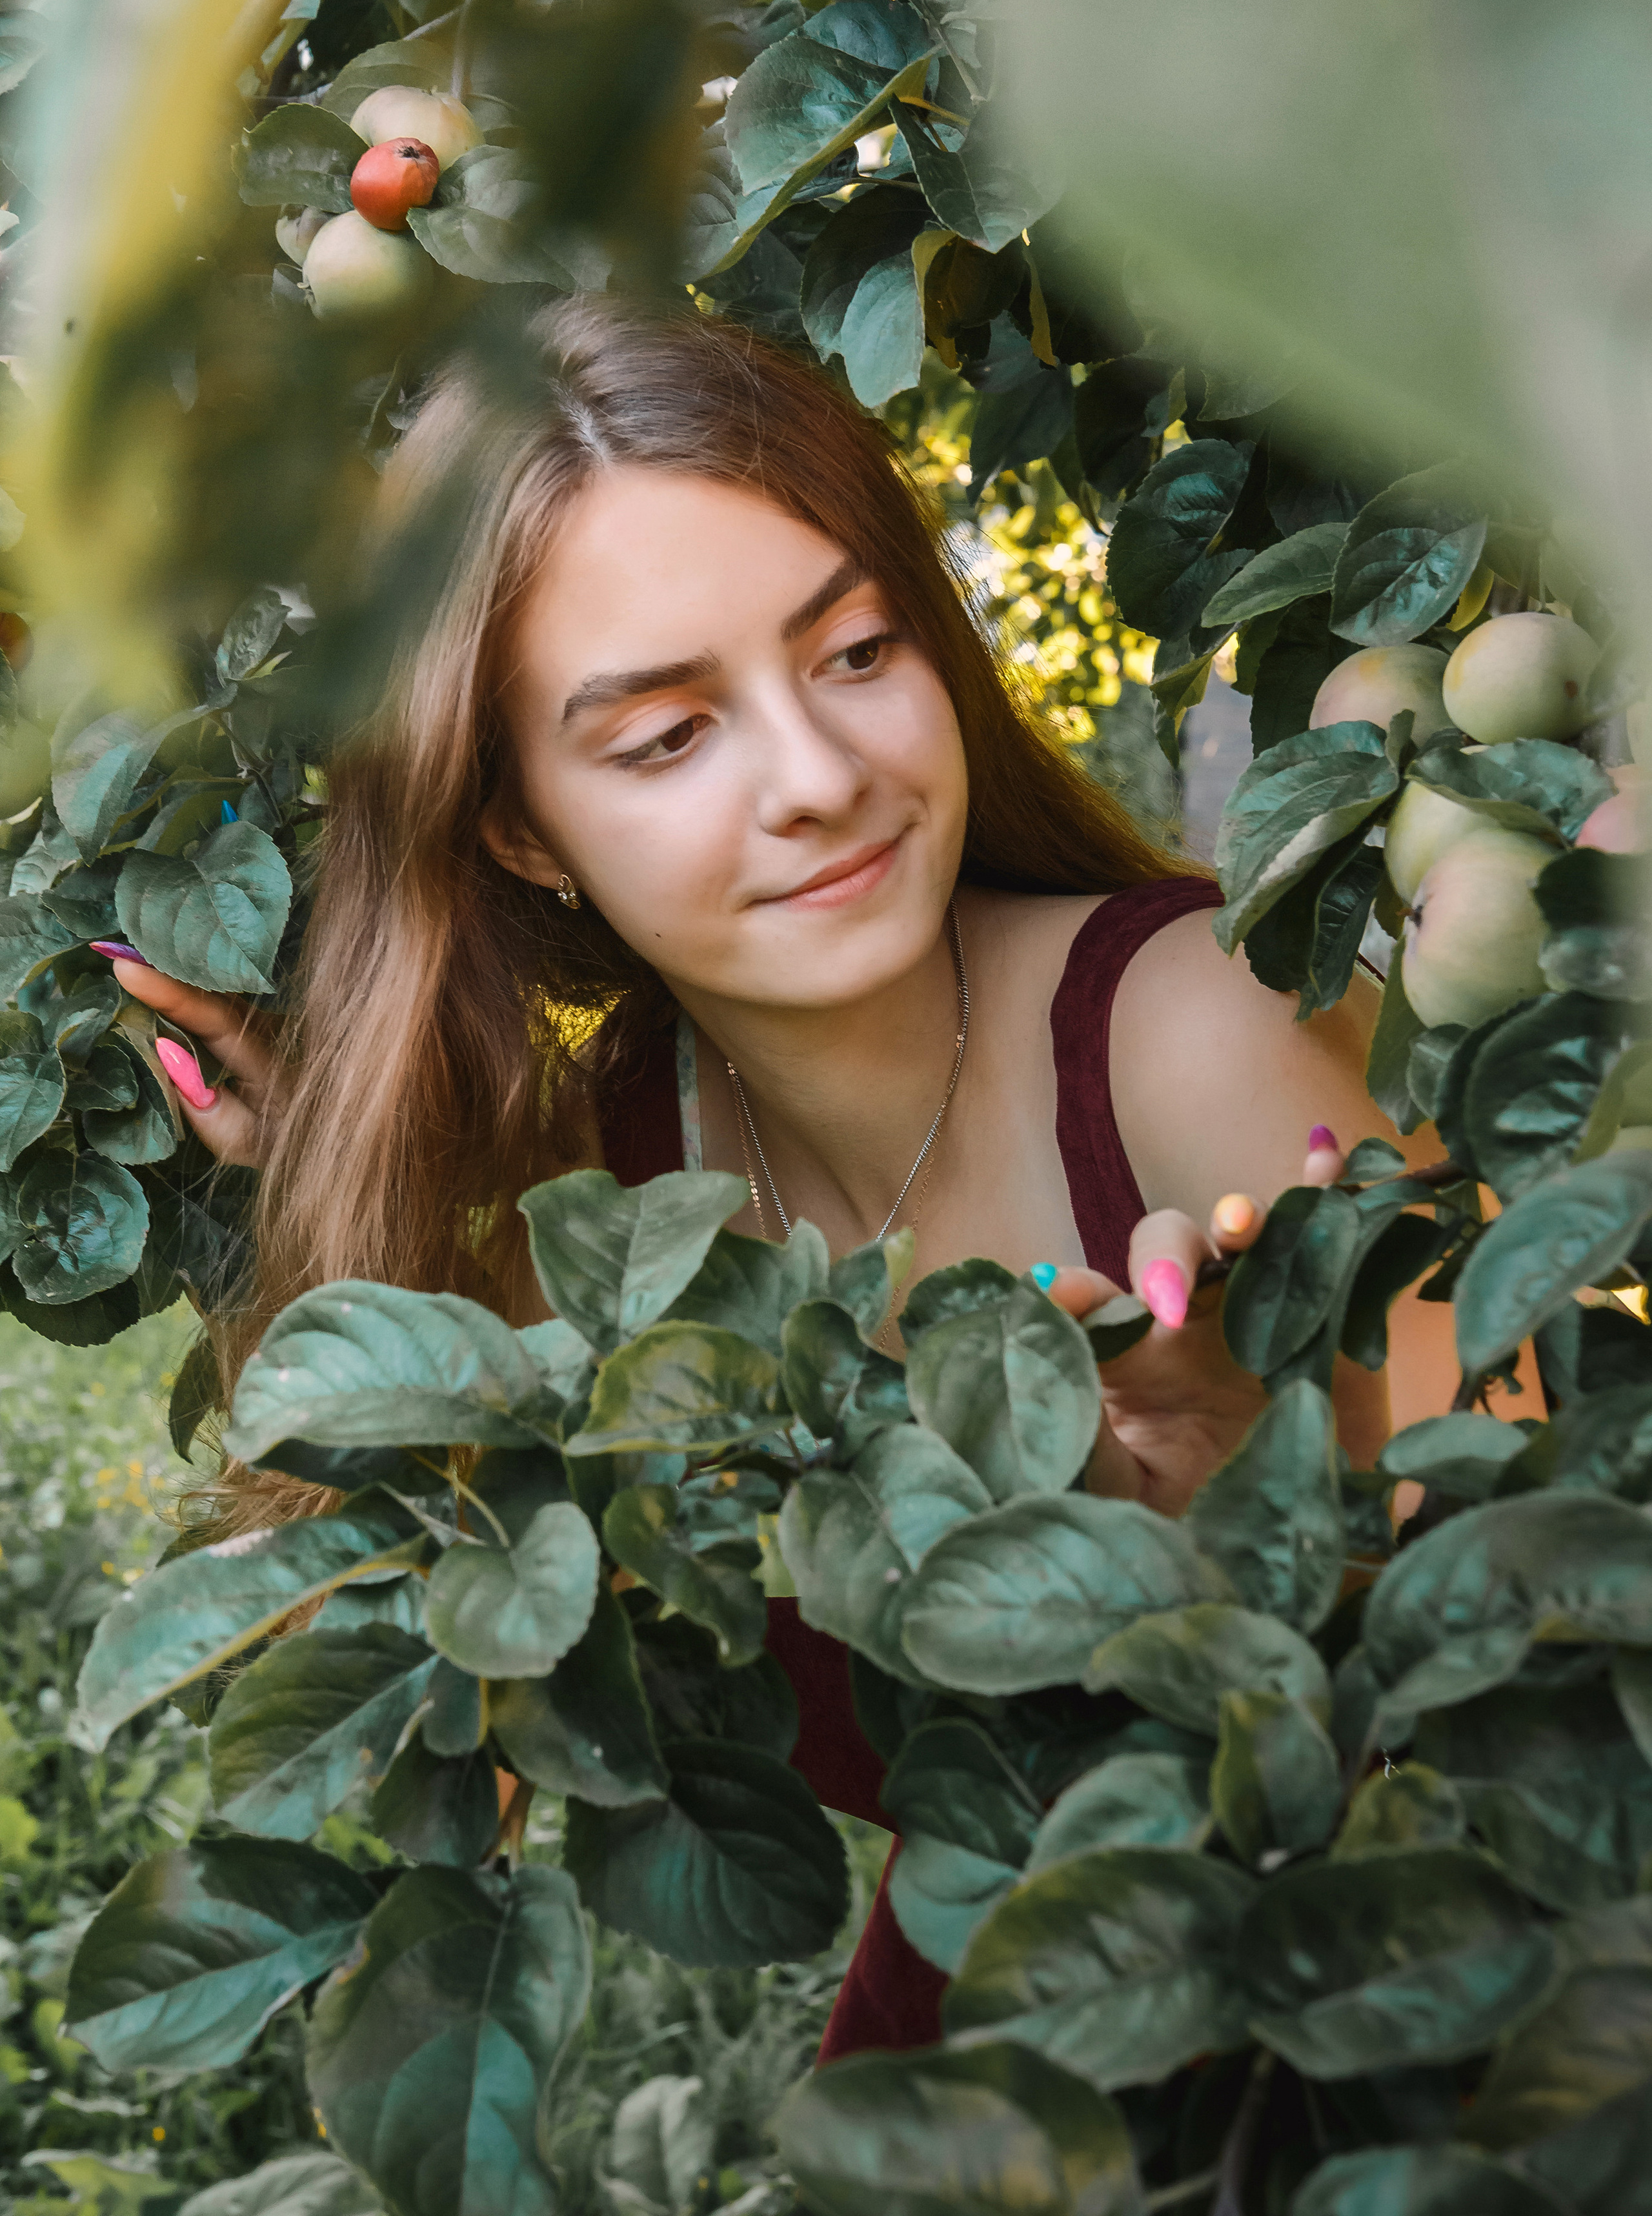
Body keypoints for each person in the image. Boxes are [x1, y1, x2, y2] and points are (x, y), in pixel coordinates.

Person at [99, 296, 1462, 2056]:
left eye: (859, 651)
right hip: (978, 2046)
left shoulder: (1215, 1037)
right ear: (517, 824)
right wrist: (321, 1188)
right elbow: (465, 1670)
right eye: (667, 737)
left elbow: (1543, 1728)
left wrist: (1262, 1568)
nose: (821, 777)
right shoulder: (595, 1202)